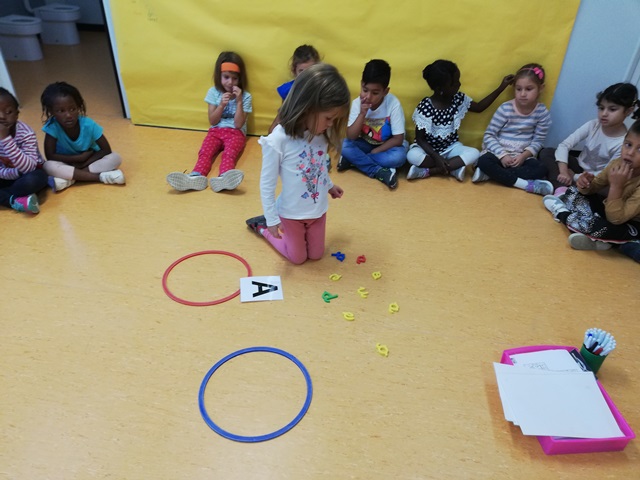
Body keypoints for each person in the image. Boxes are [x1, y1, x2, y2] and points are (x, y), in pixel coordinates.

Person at [245, 63, 349, 265]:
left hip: (317, 211)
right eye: (328, 118)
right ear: (308, 108)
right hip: (291, 214)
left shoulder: (320, 134)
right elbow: (267, 184)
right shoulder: (278, 140)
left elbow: (318, 167)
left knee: (316, 255)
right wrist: (272, 219)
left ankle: (293, 235)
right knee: (298, 258)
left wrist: (329, 185)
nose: (330, 124)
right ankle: (262, 227)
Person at [542, 119, 640, 257]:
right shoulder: (617, 163)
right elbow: (595, 186)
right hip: (608, 210)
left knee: (604, 228)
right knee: (573, 192)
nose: (630, 153)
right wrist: (586, 184)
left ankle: (562, 213)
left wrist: (616, 187)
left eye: (639, 149)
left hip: (628, 223)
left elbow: (616, 219)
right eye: (628, 144)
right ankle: (600, 240)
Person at [406, 59, 513, 182]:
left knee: (474, 153)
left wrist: (500, 88)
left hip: (451, 148)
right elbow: (420, 139)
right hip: (428, 151)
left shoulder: (458, 99)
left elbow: (479, 107)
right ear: (440, 88)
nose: (459, 84)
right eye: (454, 83)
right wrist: (436, 157)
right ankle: (453, 168)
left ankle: (430, 171)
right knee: (412, 156)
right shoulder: (426, 106)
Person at [166, 51, 252, 192]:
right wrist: (221, 105)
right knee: (205, 153)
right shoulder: (213, 92)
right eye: (226, 77)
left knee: (229, 154)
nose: (230, 82)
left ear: (240, 79)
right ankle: (196, 177)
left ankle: (224, 177)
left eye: (235, 78)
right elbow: (212, 121)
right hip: (215, 131)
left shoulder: (246, 96)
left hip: (236, 133)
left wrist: (239, 102)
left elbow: (238, 125)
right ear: (219, 76)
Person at [474, 63, 553, 195]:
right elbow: (489, 135)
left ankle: (492, 175)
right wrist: (503, 155)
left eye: (529, 89)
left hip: (522, 156)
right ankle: (524, 185)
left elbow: (538, 140)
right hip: (499, 153)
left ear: (541, 88)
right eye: (518, 89)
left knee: (541, 169)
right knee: (484, 161)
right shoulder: (505, 108)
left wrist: (523, 156)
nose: (523, 94)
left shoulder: (542, 112)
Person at [40, 82, 124, 192]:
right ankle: (100, 177)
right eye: (61, 111)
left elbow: (106, 150)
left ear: (78, 107)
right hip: (67, 162)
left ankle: (71, 179)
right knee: (48, 166)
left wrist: (83, 162)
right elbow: (50, 156)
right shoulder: (52, 127)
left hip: (89, 161)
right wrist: (78, 158)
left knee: (115, 157)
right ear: (51, 112)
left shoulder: (88, 124)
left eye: (72, 109)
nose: (68, 115)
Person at [337, 59, 407, 189]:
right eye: (365, 90)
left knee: (399, 157)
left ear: (385, 91)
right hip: (365, 144)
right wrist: (362, 114)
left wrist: (376, 150)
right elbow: (351, 136)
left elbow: (398, 139)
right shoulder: (357, 103)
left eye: (375, 93)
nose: (368, 97)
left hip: (386, 147)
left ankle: (354, 161)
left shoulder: (393, 104)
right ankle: (378, 171)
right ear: (361, 84)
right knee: (342, 145)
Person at [0, 88, 47, 213]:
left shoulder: (26, 133)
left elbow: (28, 168)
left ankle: (9, 196)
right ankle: (15, 200)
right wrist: (12, 174)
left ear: (17, 114)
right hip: (6, 174)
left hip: (30, 173)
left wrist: (5, 139)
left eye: (8, 112)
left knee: (32, 181)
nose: (2, 117)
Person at [269, 45, 321, 133]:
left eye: (310, 71)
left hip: (313, 130)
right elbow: (282, 114)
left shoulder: (320, 90)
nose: (306, 76)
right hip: (293, 129)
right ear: (294, 71)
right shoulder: (288, 90)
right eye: (301, 71)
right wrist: (272, 132)